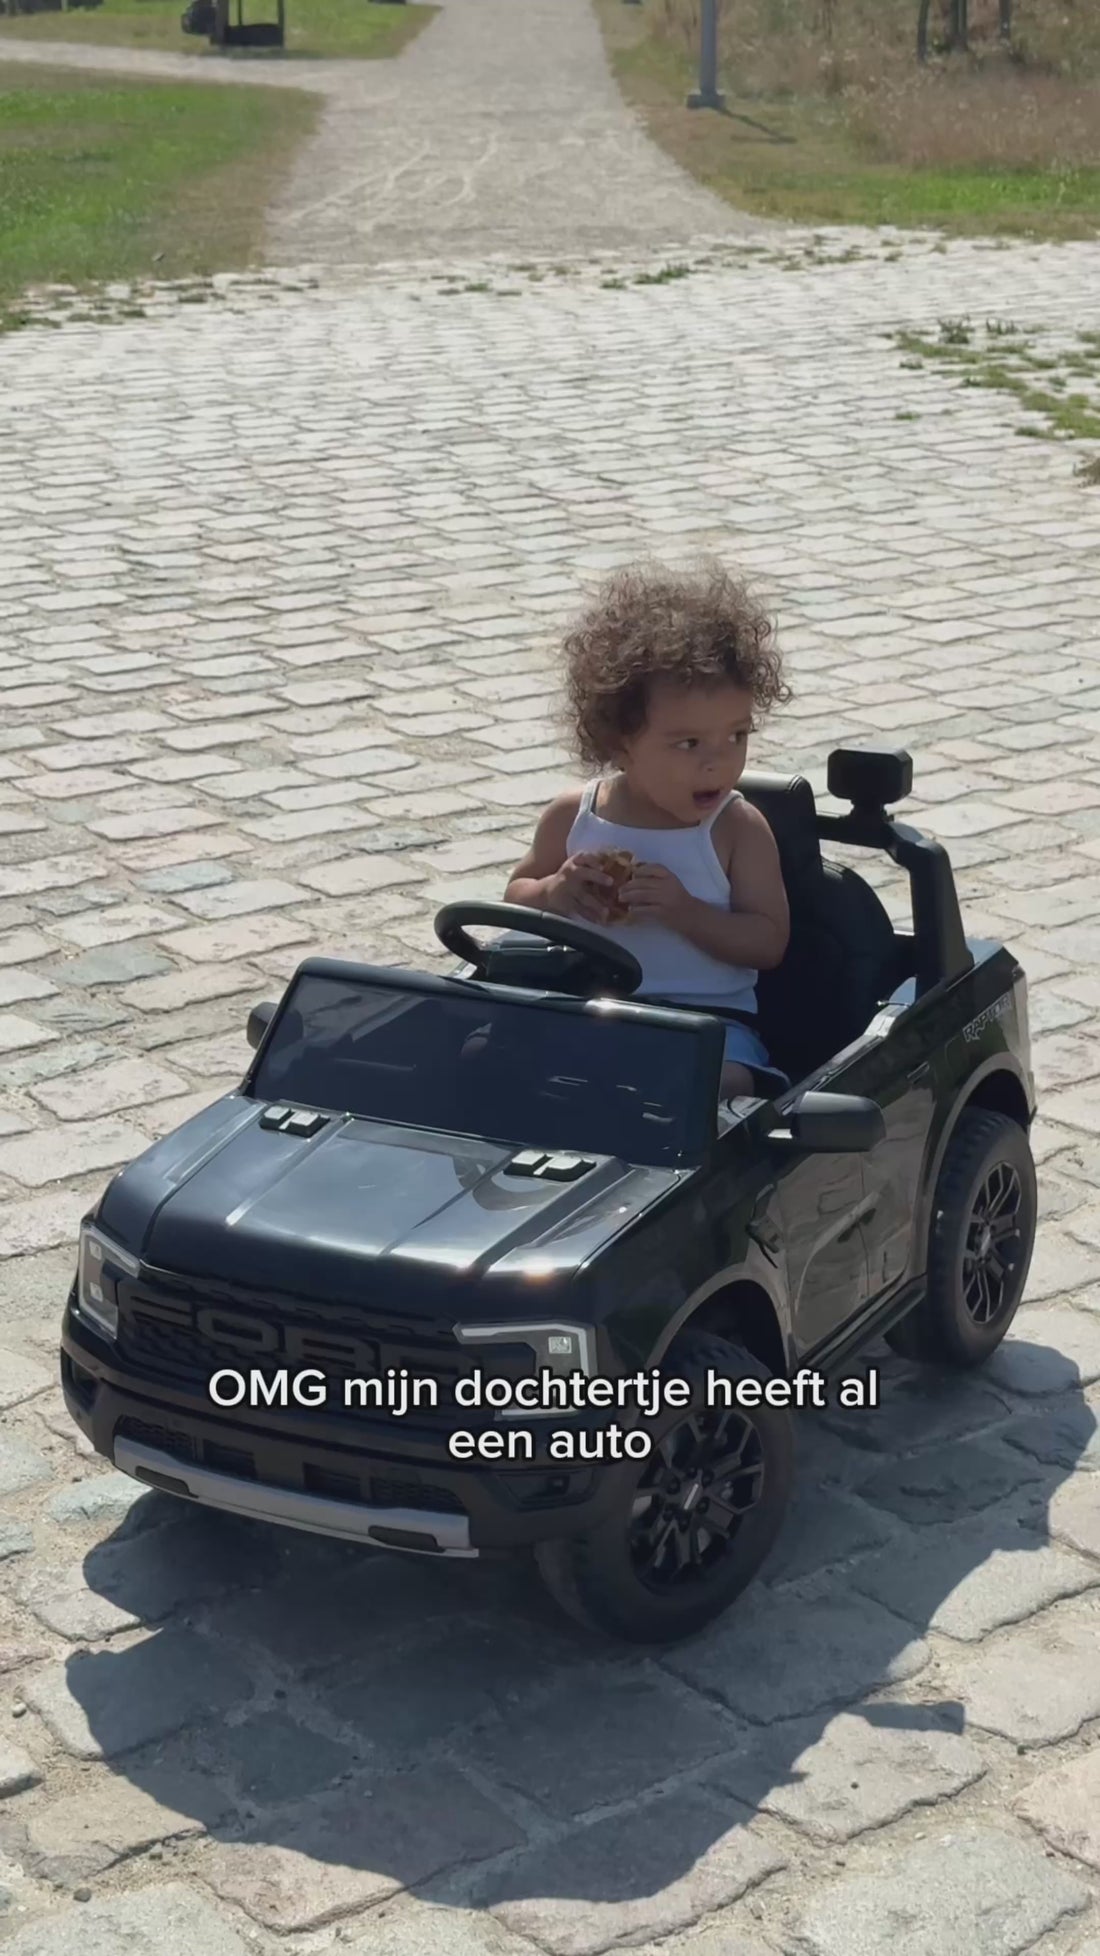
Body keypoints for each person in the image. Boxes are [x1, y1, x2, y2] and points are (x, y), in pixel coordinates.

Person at [503, 559, 793, 1101]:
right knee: (485, 1057)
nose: (717, 761)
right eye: (689, 744)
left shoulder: (736, 829)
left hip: (708, 1022)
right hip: (590, 1009)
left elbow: (768, 942)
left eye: (736, 736)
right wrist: (553, 892)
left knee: (714, 1085)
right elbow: (516, 896)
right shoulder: (574, 817)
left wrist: (686, 912)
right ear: (620, 742)